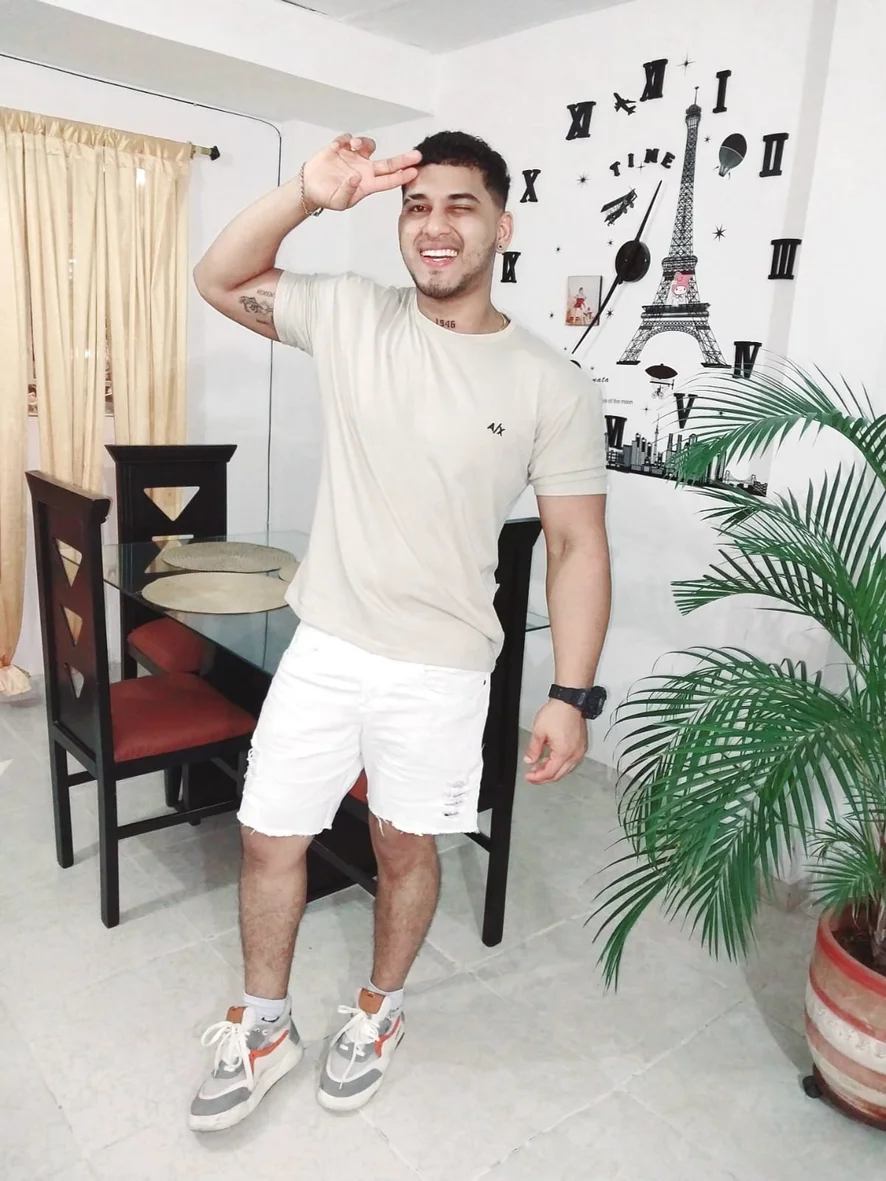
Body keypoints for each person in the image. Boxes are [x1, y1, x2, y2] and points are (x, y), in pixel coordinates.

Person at [189, 130, 611, 1131]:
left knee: (402, 843)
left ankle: (379, 1009)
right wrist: (306, 192)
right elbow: (218, 277)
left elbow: (576, 544)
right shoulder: (350, 313)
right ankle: (264, 1024)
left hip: (442, 667)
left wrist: (570, 691)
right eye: (417, 206)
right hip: (327, 643)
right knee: (267, 834)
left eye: (461, 205)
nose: (435, 225)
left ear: (502, 226)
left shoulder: (551, 383)